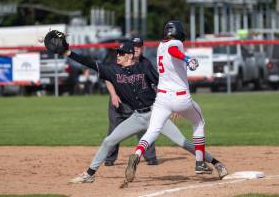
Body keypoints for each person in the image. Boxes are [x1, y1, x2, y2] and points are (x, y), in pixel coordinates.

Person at [43, 33, 228, 184]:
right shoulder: (112, 71)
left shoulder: (144, 68)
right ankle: (89, 174)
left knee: (184, 143)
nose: (118, 55)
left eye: (122, 53)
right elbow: (89, 63)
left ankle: (216, 162)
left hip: (157, 113)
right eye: (117, 53)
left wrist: (174, 106)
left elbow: (164, 84)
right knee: (109, 140)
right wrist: (67, 52)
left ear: (131, 55)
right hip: (137, 117)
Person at [125, 20, 222, 183]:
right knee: (199, 122)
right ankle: (199, 163)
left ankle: (136, 155)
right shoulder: (175, 43)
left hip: (162, 98)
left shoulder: (160, 46)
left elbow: (169, 50)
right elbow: (173, 50)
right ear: (178, 31)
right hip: (180, 97)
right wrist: (187, 59)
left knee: (153, 130)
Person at [104, 37, 158, 166]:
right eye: (134, 46)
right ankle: (109, 159)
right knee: (114, 130)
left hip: (139, 104)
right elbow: (107, 78)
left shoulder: (145, 63)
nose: (137, 48)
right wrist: (113, 95)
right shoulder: (119, 60)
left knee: (145, 129)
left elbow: (154, 83)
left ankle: (150, 157)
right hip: (119, 102)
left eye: (139, 46)